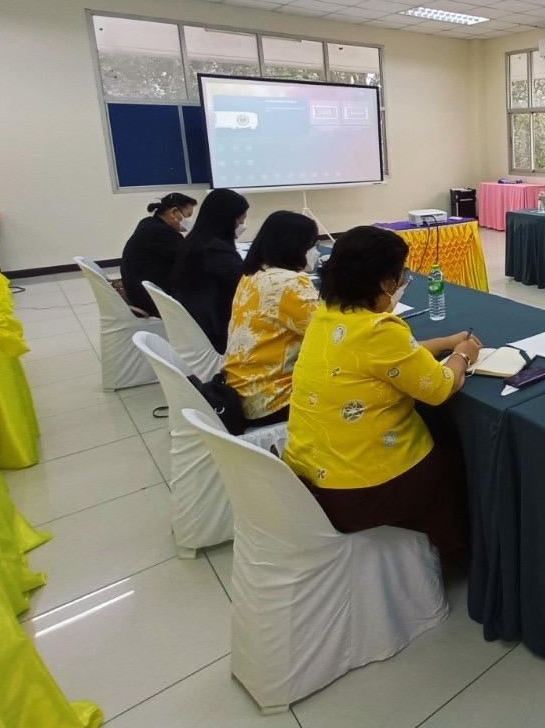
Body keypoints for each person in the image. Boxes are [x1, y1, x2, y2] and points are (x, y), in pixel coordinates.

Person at [283, 225, 482, 560]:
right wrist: (463, 355)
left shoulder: (326, 316)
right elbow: (440, 387)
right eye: (401, 275)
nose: (402, 283)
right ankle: (457, 554)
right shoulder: (380, 329)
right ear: (385, 283)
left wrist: (446, 343)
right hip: (358, 491)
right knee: (454, 467)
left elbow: (391, 358)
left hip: (308, 478)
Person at [222, 211, 320, 426]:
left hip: (242, 389)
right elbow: (328, 333)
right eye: (312, 245)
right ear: (296, 246)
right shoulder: (290, 283)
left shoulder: (251, 275)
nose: (315, 251)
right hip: (273, 399)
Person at [172, 188, 249, 354]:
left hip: (199, 321)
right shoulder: (215, 249)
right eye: (240, 219)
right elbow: (245, 282)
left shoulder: (196, 241)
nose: (241, 224)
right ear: (228, 219)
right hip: (218, 330)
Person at [120, 193, 198, 317]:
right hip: (149, 298)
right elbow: (191, 258)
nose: (189, 221)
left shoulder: (148, 223)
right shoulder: (161, 232)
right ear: (174, 212)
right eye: (188, 215)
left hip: (136, 289)